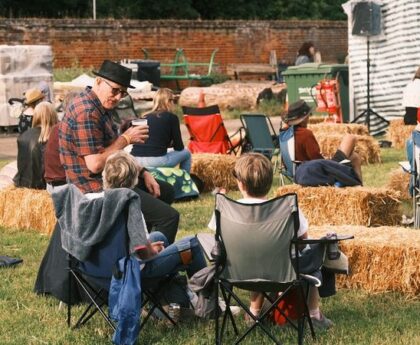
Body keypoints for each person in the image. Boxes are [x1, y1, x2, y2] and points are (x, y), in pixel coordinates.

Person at [59, 60, 179, 243]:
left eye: (123, 93)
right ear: (98, 81)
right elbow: (95, 164)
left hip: (112, 180)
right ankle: (150, 265)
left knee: (166, 191)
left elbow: (113, 151)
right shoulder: (88, 112)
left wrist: (143, 172)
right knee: (168, 217)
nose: (117, 97)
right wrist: (126, 139)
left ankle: (136, 241)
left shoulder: (100, 106)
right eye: (114, 90)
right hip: (95, 188)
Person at [209, 153, 334, 329]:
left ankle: (254, 312)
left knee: (254, 251)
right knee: (313, 253)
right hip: (282, 273)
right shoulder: (287, 209)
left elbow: (219, 240)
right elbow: (304, 242)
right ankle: (314, 315)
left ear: (241, 184)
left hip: (236, 273)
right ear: (269, 183)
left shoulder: (227, 209)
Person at [101, 151, 206, 279]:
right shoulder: (133, 208)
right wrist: (153, 251)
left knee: (158, 236)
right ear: (135, 180)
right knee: (191, 244)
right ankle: (206, 295)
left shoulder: (93, 202)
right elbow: (142, 252)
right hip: (132, 271)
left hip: (102, 269)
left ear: (104, 175)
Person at [283, 100, 363, 183]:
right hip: (317, 172)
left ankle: (360, 188)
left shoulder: (285, 134)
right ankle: (359, 187)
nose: (308, 118)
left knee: (355, 157)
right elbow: (316, 158)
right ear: (303, 119)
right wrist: (327, 159)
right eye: (308, 115)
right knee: (350, 138)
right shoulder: (305, 134)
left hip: (301, 172)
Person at [130, 88, 192, 173]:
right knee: (186, 153)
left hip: (135, 160)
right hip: (156, 161)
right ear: (169, 102)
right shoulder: (171, 117)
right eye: (173, 101)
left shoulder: (143, 117)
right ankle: (183, 182)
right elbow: (179, 147)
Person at [14, 102, 58, 189]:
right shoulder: (56, 136)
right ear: (53, 115)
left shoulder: (24, 135)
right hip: (45, 186)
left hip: (23, 184)